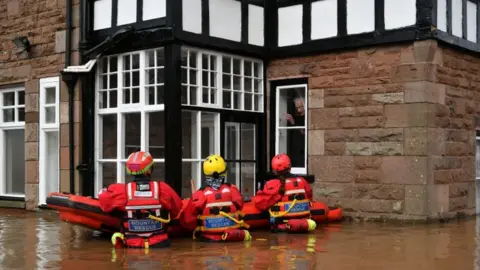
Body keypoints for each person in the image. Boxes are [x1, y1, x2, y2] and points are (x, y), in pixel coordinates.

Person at [98, 151, 183, 249]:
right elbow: (177, 210)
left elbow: (105, 205)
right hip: (160, 244)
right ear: (149, 169)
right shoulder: (163, 189)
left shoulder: (121, 191)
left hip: (132, 245)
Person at [181, 154, 252, 242]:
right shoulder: (233, 190)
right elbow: (240, 205)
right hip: (231, 237)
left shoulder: (200, 194)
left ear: (206, 174)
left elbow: (187, 220)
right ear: (224, 173)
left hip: (209, 239)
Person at [254, 153, 316, 233]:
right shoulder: (302, 181)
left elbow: (261, 204)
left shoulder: (273, 184)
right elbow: (309, 196)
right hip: (304, 224)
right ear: (289, 167)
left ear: (275, 170)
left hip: (282, 226)